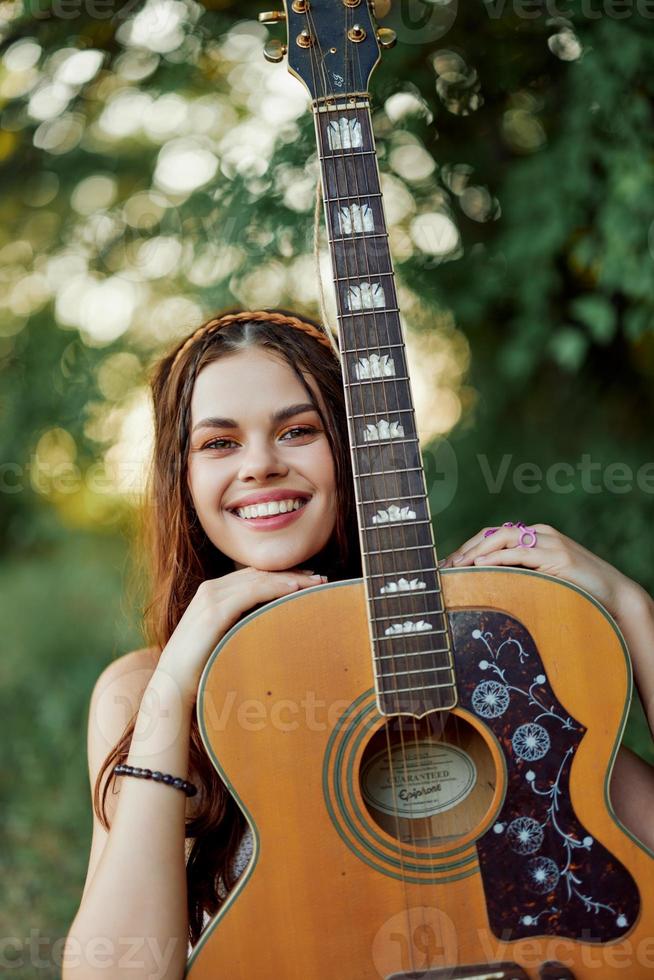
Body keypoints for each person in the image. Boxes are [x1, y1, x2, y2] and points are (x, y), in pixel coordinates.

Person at [63, 308, 654, 979]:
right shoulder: (140, 690)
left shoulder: (484, 653)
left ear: (356, 454)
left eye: (298, 430)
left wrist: (634, 613)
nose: (260, 464)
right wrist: (176, 683)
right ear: (183, 478)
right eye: (219, 443)